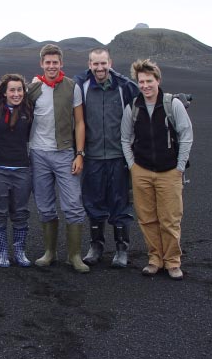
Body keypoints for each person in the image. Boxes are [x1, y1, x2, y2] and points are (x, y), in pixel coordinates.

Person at [121, 59, 193, 280]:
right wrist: (132, 166)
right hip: (141, 171)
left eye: (149, 81)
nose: (145, 86)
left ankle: (172, 261)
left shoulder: (173, 104)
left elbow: (186, 135)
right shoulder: (133, 107)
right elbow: (125, 138)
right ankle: (155, 259)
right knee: (147, 218)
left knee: (170, 219)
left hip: (169, 172)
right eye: (141, 82)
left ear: (158, 80)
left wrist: (179, 167)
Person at [73, 48, 139, 268]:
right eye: (95, 64)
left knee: (120, 202)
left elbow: (147, 94)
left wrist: (173, 99)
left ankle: (121, 249)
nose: (100, 68)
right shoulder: (81, 86)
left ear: (110, 63)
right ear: (89, 65)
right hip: (92, 156)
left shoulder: (124, 87)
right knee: (93, 201)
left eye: (103, 63)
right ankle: (96, 246)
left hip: (118, 156)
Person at [27, 44, 89, 273]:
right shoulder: (33, 88)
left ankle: (74, 256)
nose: (51, 66)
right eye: (48, 62)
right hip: (38, 154)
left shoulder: (72, 87)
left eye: (55, 62)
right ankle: (49, 253)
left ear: (61, 63)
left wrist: (79, 154)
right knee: (45, 206)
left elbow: (79, 122)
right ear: (41, 64)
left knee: (73, 205)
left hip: (64, 153)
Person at [0, 74, 34, 267]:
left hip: (22, 169)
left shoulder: (29, 109)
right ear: (4, 92)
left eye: (19, 90)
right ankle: (2, 252)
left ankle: (20, 251)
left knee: (21, 212)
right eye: (12, 90)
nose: (16, 94)